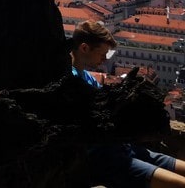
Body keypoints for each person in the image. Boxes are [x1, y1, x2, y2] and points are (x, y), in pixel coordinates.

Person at [71, 20, 185, 187]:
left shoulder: (85, 76)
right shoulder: (71, 80)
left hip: (120, 147)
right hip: (105, 158)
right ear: (84, 48)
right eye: (102, 54)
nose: (104, 60)